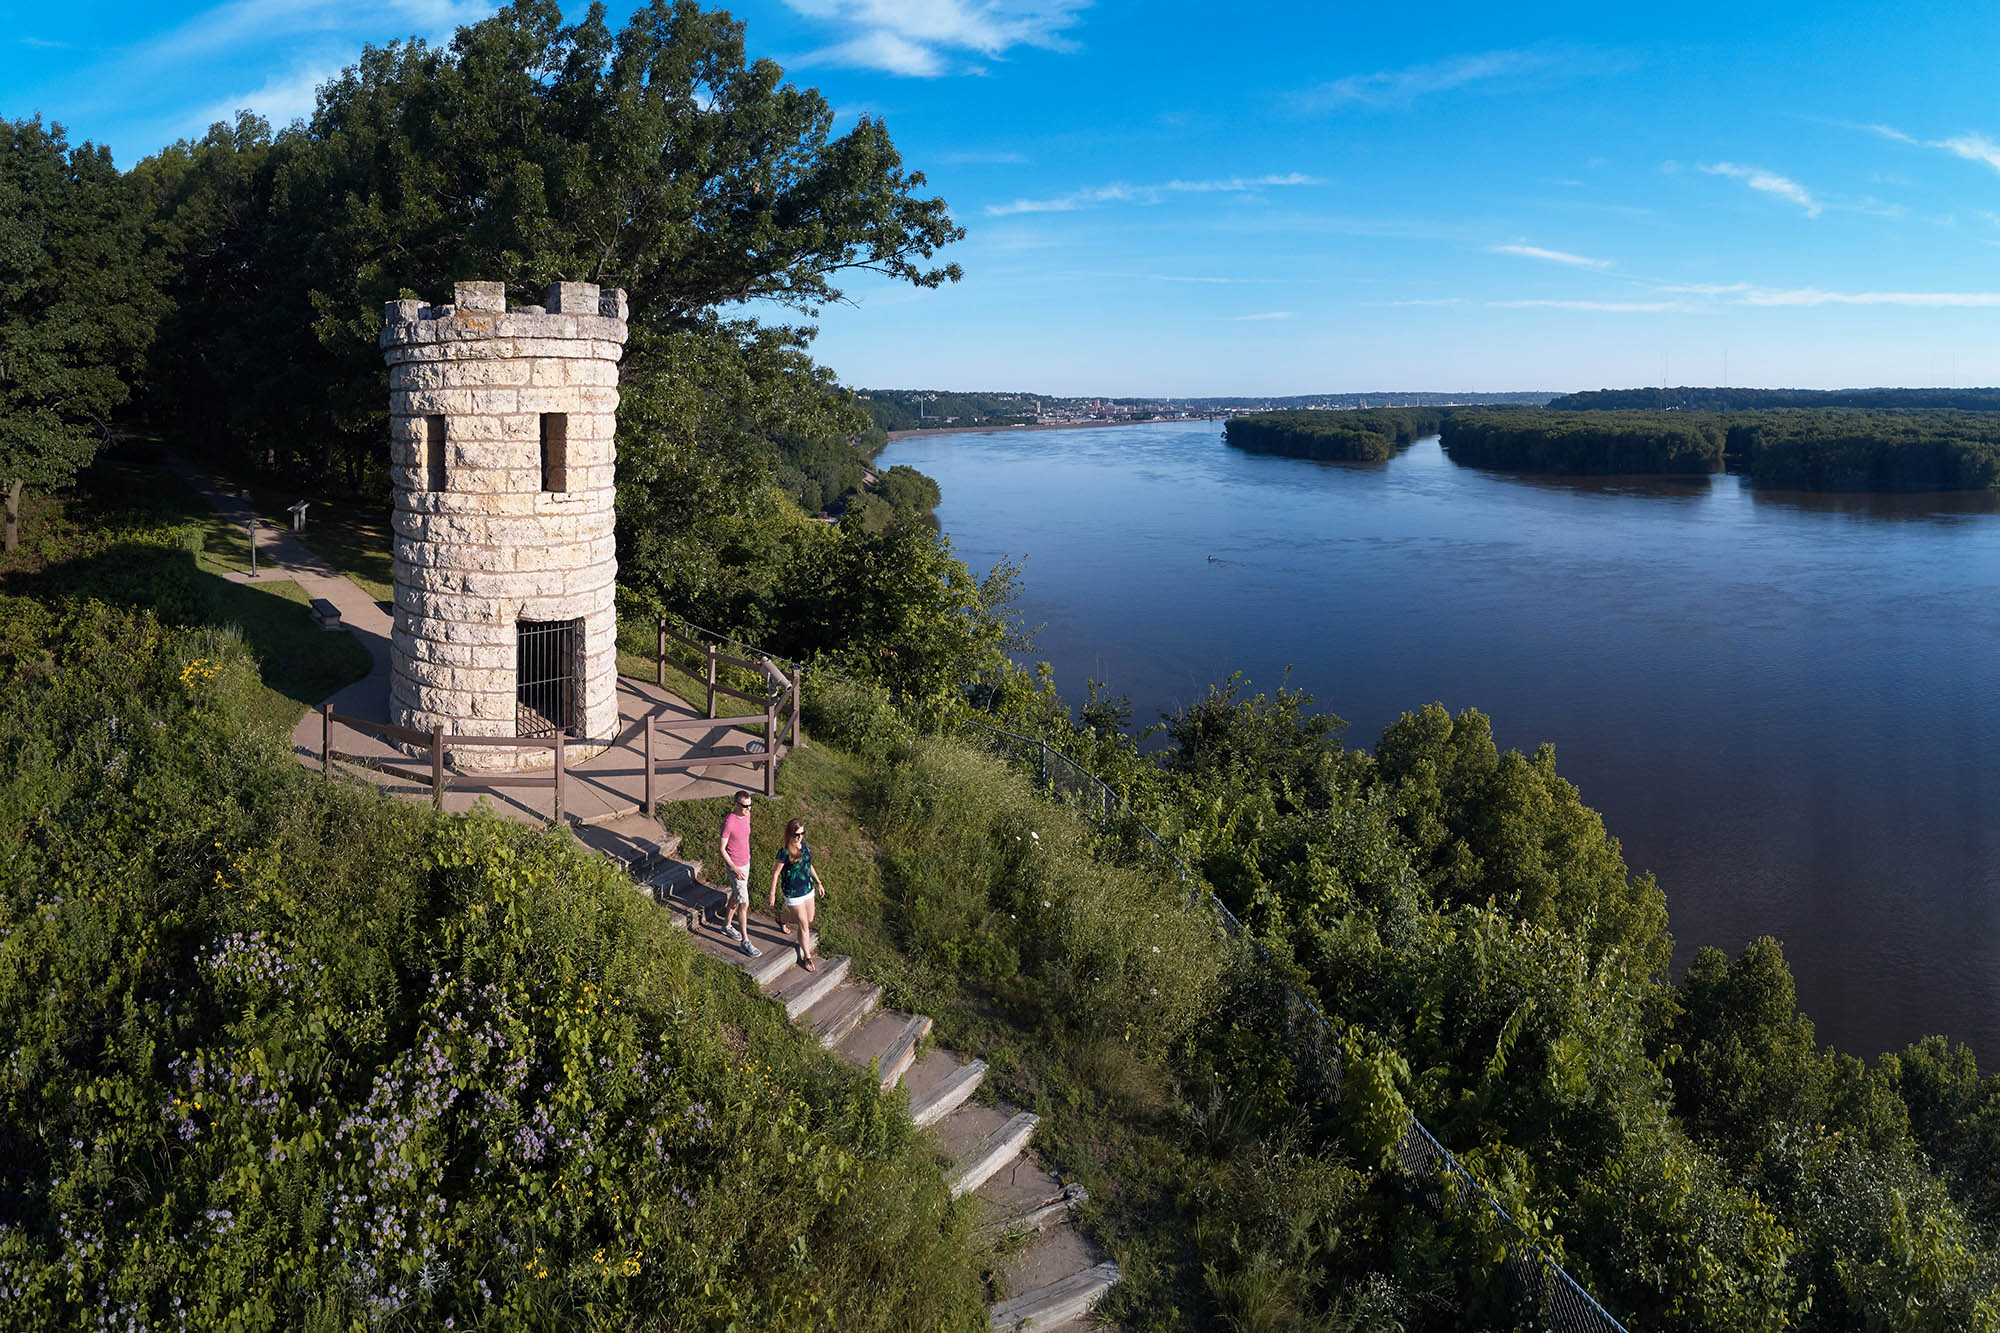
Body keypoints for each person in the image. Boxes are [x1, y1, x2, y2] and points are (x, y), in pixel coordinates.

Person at [767, 818, 826, 972]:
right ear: (790, 834)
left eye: (802, 833)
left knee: (809, 919)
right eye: (797, 834)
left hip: (807, 888)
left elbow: (809, 865)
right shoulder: (785, 851)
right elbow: (775, 874)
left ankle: (781, 919)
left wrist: (819, 882)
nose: (800, 837)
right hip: (793, 892)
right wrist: (772, 894)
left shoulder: (805, 847)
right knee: (804, 924)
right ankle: (807, 957)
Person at [717, 792, 759, 958]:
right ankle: (745, 941)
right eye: (744, 806)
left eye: (750, 806)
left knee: (736, 896)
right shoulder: (729, 822)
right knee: (744, 903)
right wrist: (734, 868)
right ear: (736, 804)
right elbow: (721, 848)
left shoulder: (746, 816)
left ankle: (726, 926)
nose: (748, 809)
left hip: (746, 863)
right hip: (736, 868)